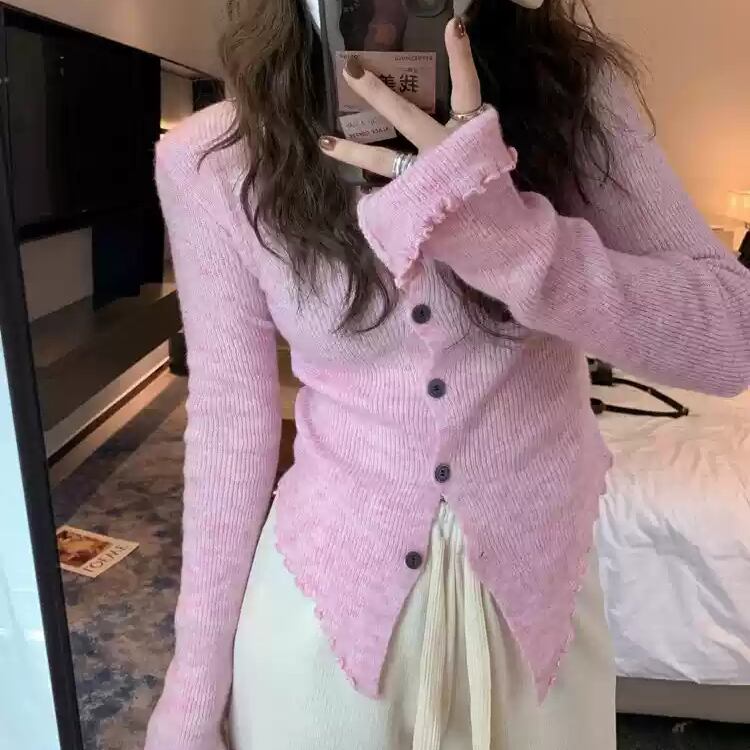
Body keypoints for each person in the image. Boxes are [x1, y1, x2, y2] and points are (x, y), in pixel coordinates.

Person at [145, 1, 750, 749]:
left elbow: (732, 337)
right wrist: (192, 697)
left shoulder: (569, 96)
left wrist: (510, 240)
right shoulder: (214, 158)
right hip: (324, 624)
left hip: (541, 629)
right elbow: (229, 426)